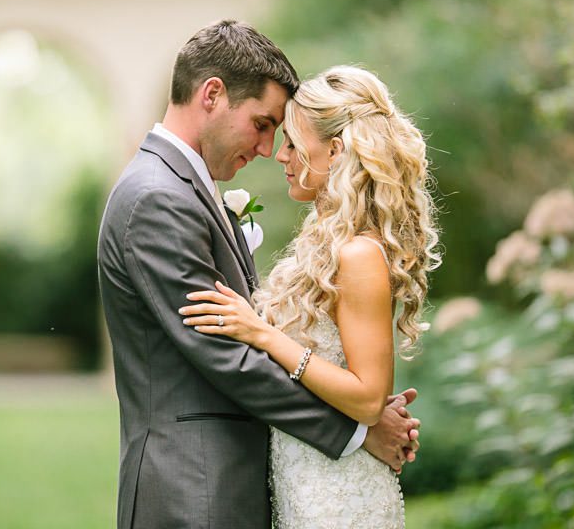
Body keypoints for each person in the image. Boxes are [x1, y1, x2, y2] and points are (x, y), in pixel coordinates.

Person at [98, 21, 420, 529]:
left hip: (242, 485)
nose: (270, 150)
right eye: (264, 124)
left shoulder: (183, 190)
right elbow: (225, 355)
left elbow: (258, 337)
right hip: (194, 489)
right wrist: (358, 430)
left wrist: (359, 400)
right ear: (212, 95)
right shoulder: (158, 197)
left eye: (284, 135)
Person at [180, 64, 441, 527]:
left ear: (335, 151)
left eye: (294, 143)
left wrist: (263, 334)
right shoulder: (325, 245)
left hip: (338, 497)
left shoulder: (359, 253)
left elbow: (366, 397)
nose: (280, 156)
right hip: (306, 480)